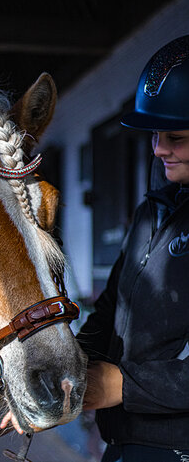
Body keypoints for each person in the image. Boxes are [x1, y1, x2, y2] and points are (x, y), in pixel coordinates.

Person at [78, 35, 189, 462]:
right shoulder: (149, 213)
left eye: (175, 136)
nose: (159, 148)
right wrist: (53, 374)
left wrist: (119, 385)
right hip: (122, 444)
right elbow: (109, 310)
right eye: (154, 134)